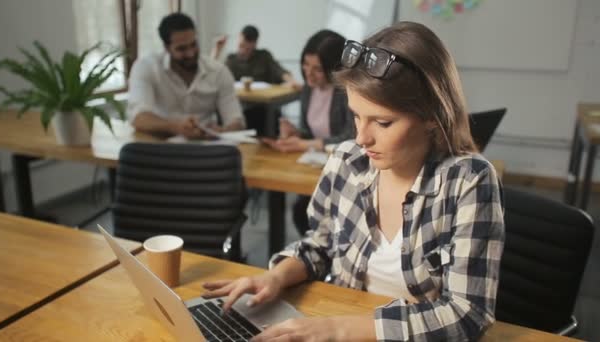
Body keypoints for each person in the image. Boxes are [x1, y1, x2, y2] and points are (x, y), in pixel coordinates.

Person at [201, 22, 505, 341]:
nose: (361, 138)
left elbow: (466, 315)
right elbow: (320, 245)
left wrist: (338, 328)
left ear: (433, 115)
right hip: (339, 317)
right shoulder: (348, 159)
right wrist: (276, 276)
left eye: (383, 123)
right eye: (356, 116)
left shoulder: (468, 180)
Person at [264, 29, 355, 236]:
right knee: (302, 212)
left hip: (344, 172)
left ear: (334, 69)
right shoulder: (308, 88)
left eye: (317, 69)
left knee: (314, 215)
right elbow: (311, 132)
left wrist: (304, 144)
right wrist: (296, 133)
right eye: (305, 65)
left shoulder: (347, 91)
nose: (308, 73)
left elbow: (351, 137)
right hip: (315, 168)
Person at [127, 13, 245, 138]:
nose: (190, 53)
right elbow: (138, 117)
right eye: (181, 49)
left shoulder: (219, 72)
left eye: (194, 44)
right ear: (167, 47)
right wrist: (174, 127)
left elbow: (236, 120)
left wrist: (224, 131)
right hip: (160, 146)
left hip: (205, 146)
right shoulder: (147, 67)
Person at [211, 25, 300, 88]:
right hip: (239, 103)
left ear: (255, 44)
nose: (243, 51)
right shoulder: (231, 59)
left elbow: (279, 71)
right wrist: (217, 50)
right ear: (239, 39)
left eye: (248, 48)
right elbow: (213, 74)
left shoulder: (264, 56)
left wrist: (291, 80)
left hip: (261, 105)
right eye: (241, 46)